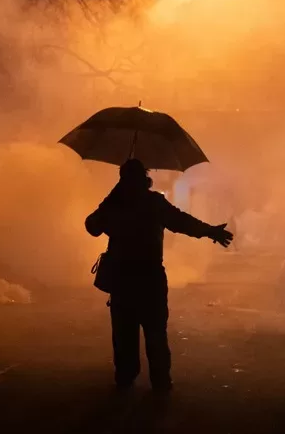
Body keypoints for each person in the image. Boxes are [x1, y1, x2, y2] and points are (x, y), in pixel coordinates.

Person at [85, 159, 233, 392]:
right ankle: (160, 380)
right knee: (155, 332)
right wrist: (210, 231)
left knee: (124, 333)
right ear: (145, 178)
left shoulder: (115, 204)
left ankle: (125, 377)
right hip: (149, 278)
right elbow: (182, 222)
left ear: (122, 179)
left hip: (123, 280)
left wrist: (110, 199)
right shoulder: (153, 203)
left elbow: (92, 226)